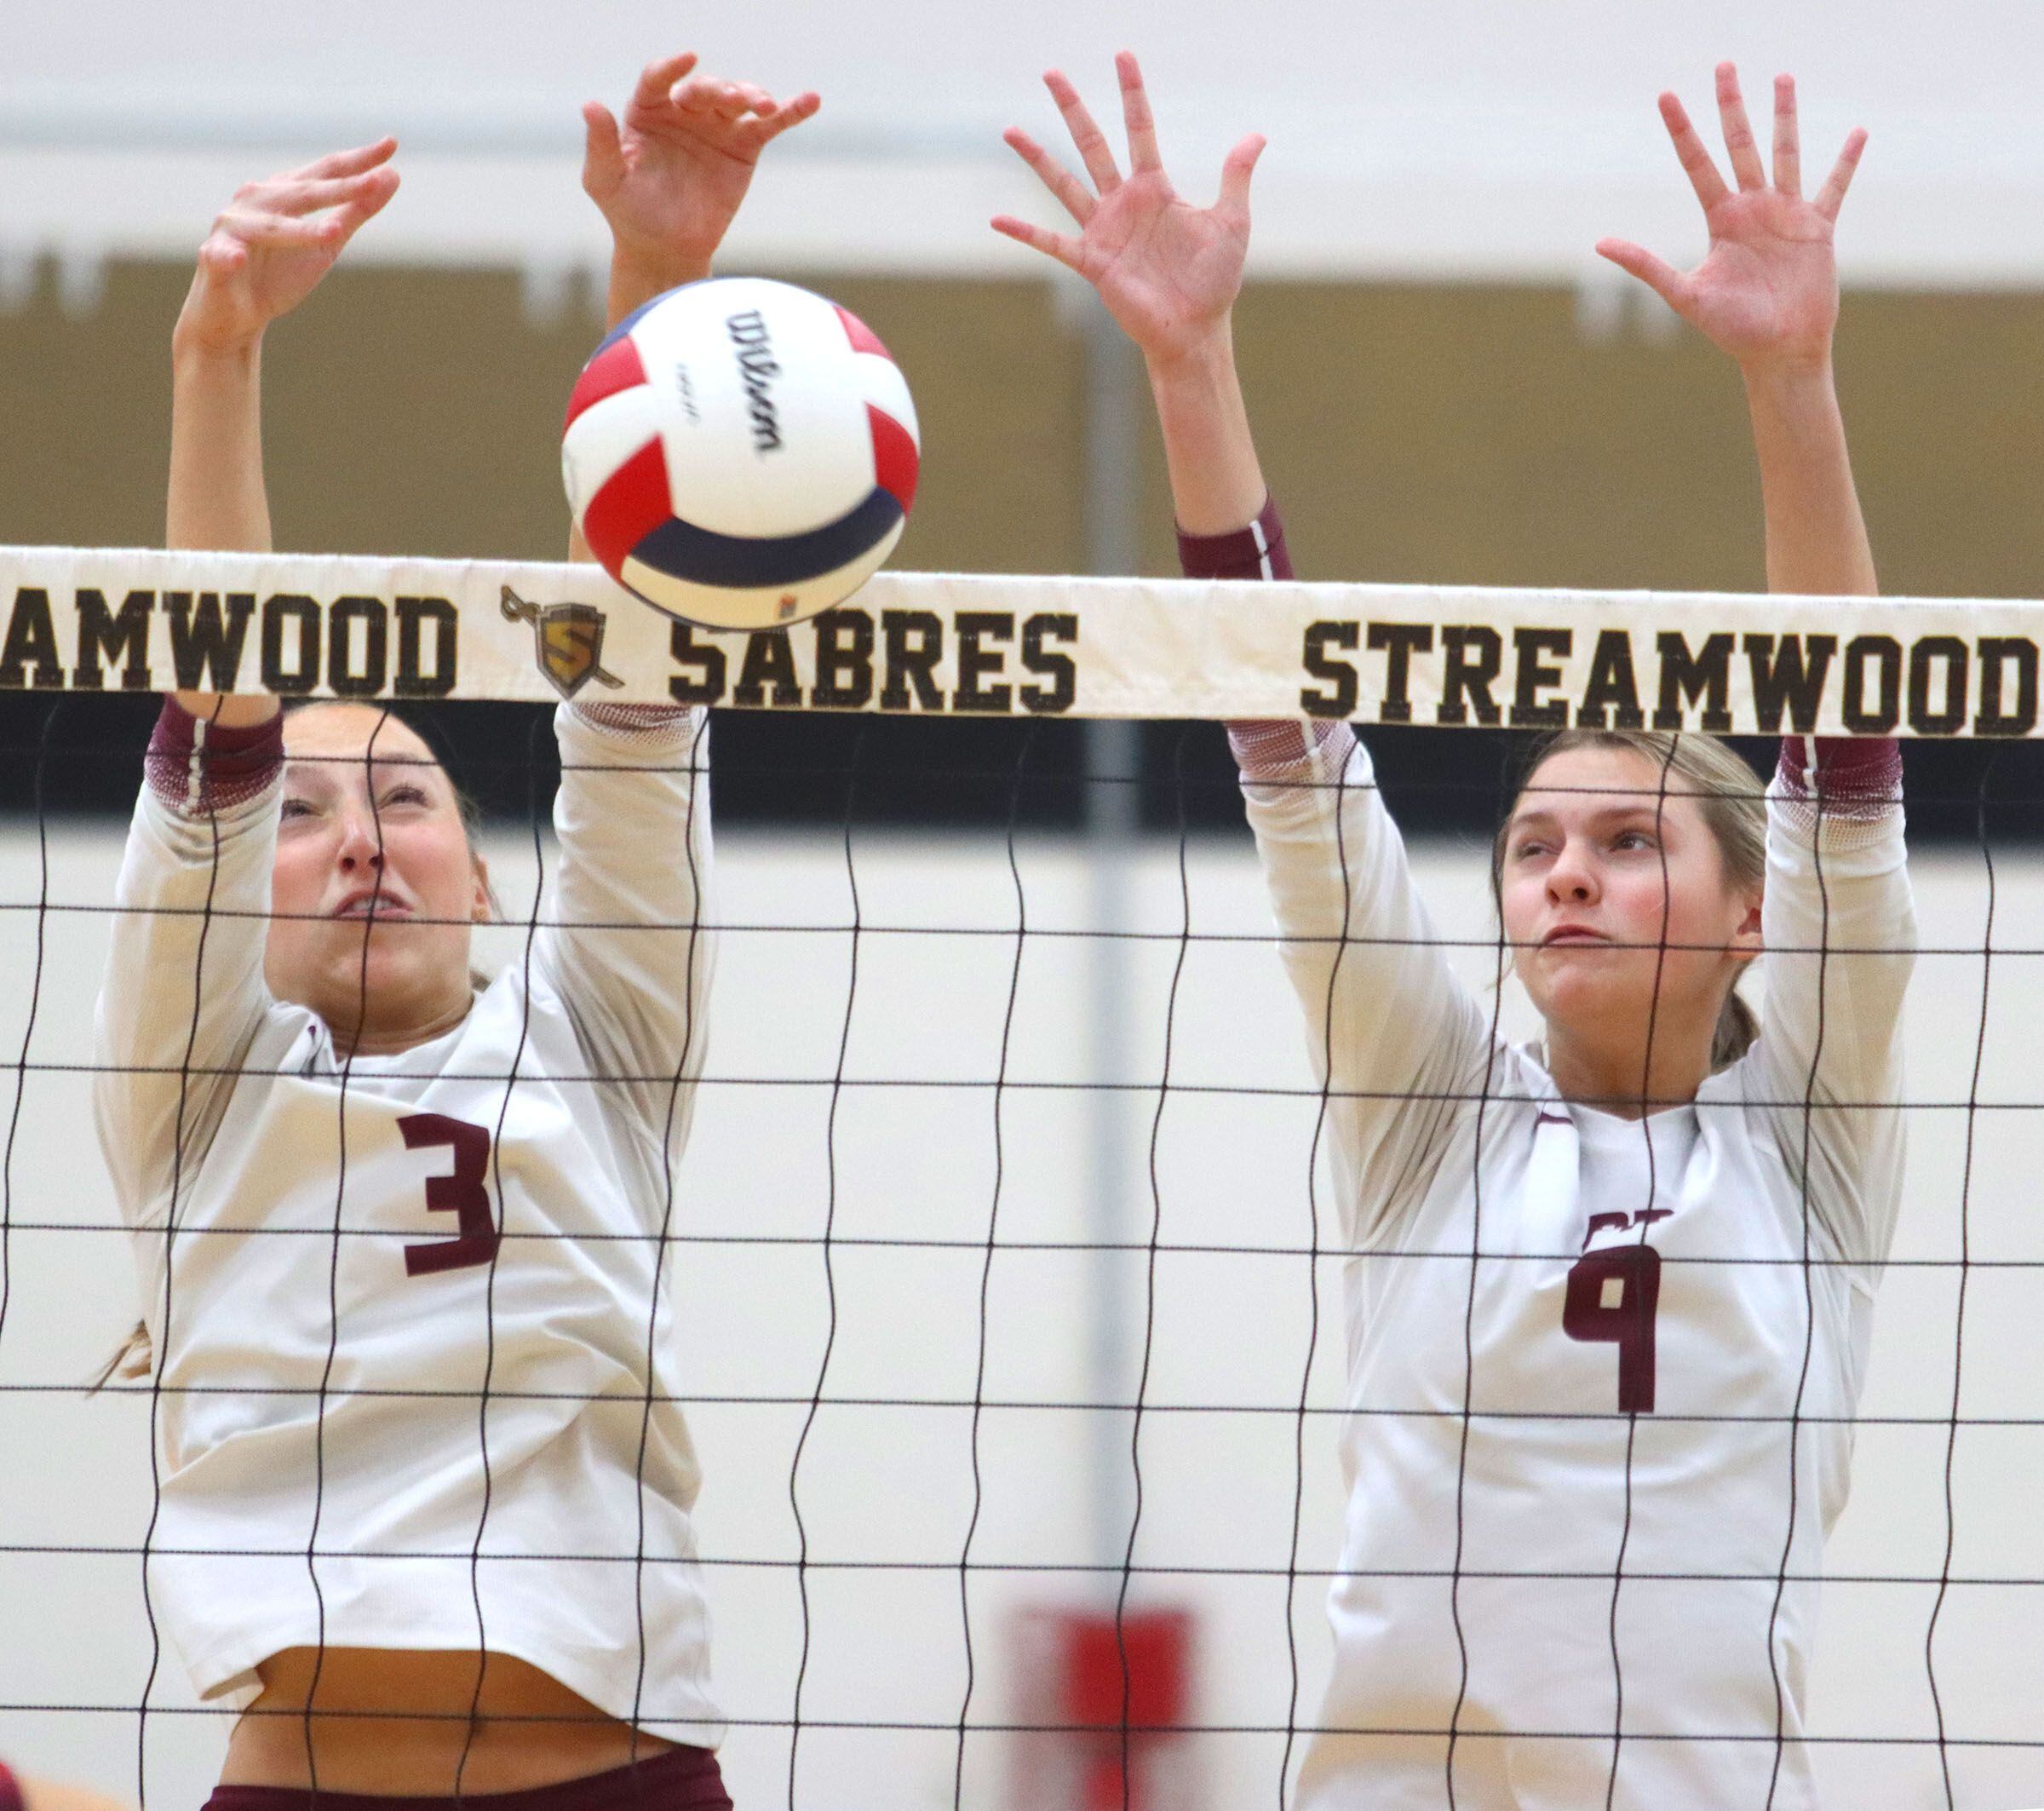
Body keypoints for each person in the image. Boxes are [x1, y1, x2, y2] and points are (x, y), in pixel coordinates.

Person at [997, 54, 1912, 1809]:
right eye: (1532, 844)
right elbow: (1293, 750)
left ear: (1749, 917)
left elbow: (1848, 748)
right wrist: (1191, 361)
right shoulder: (1434, 1111)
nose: (1562, 873)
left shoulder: (1812, 1134)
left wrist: (1792, 379)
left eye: (1630, 844)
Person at [94, 52, 817, 1803]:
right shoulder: (193, 1086)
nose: (359, 843)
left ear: (488, 875)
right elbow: (218, 703)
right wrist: (218, 349)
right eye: (314, 812)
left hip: (618, 1775)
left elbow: (635, 699)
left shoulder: (595, 1043)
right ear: (244, 880)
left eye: (406, 798)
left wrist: (659, 296)